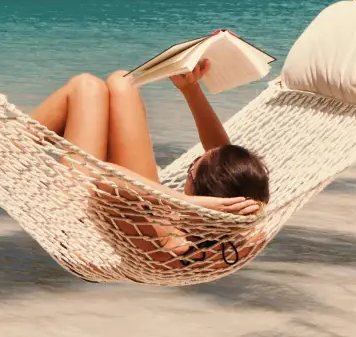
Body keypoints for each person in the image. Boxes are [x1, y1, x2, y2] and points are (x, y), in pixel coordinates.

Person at [31, 57, 269, 217]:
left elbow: (106, 177)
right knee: (123, 81)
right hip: (123, 195)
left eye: (191, 170)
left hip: (76, 200)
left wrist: (183, 201)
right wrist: (190, 88)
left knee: (85, 87)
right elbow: (221, 159)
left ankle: (6, 147)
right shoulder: (243, 217)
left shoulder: (169, 240)